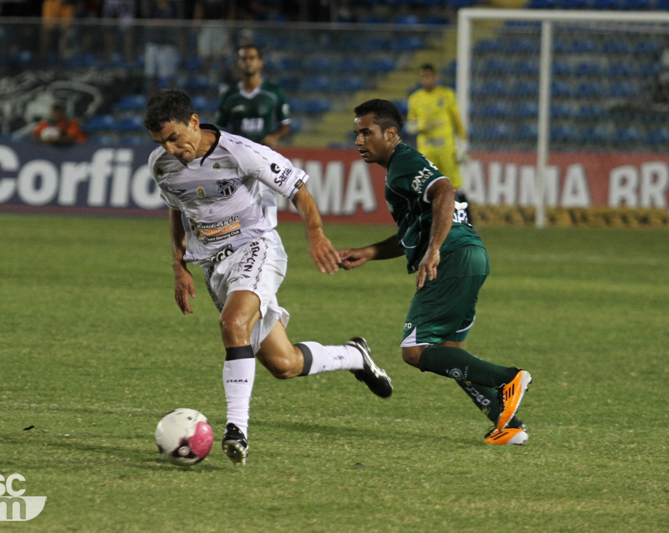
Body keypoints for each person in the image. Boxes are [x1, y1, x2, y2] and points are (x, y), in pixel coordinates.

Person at [145, 89, 392, 465]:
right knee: (283, 363)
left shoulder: (241, 152)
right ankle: (354, 355)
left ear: (193, 122)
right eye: (161, 142)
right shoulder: (162, 165)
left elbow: (298, 189)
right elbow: (177, 210)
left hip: (256, 248)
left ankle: (237, 431)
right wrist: (179, 266)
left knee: (233, 324)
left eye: (174, 138)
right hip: (213, 265)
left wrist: (316, 235)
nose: (170, 149)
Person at [340, 99, 531, 445]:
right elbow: (414, 232)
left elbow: (445, 190)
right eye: (357, 134)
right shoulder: (401, 169)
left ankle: (508, 378)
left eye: (367, 133)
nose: (359, 141)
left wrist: (434, 250)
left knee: (415, 350)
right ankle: (508, 425)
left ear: (391, 134)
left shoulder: (403, 162)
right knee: (448, 349)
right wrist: (369, 252)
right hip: (471, 253)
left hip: (452, 256)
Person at [406, 63, 471, 220]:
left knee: (454, 185)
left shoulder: (447, 94)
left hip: (446, 148)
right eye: (422, 77)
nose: (426, 80)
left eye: (428, 76)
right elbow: (410, 126)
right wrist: (423, 125)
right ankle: (425, 222)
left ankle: (466, 221)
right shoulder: (415, 99)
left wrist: (463, 142)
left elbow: (456, 120)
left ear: (435, 77)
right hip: (426, 150)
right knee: (425, 186)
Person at [215, 43, 291, 148]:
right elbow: (220, 128)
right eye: (243, 59)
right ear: (238, 63)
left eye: (252, 58)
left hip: (264, 151)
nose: (247, 62)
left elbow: (285, 125)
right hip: (238, 151)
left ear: (260, 63)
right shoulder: (229, 95)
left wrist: (274, 137)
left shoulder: (274, 92)